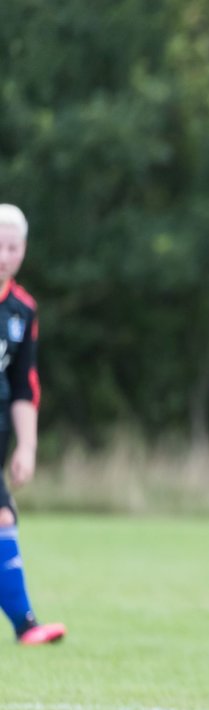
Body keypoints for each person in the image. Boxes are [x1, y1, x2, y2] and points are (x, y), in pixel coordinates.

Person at [0, 203, 64, 646]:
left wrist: (27, 447)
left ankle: (26, 626)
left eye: (13, 246)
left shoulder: (22, 310)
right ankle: (26, 625)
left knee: (3, 519)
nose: (4, 254)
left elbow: (25, 385)